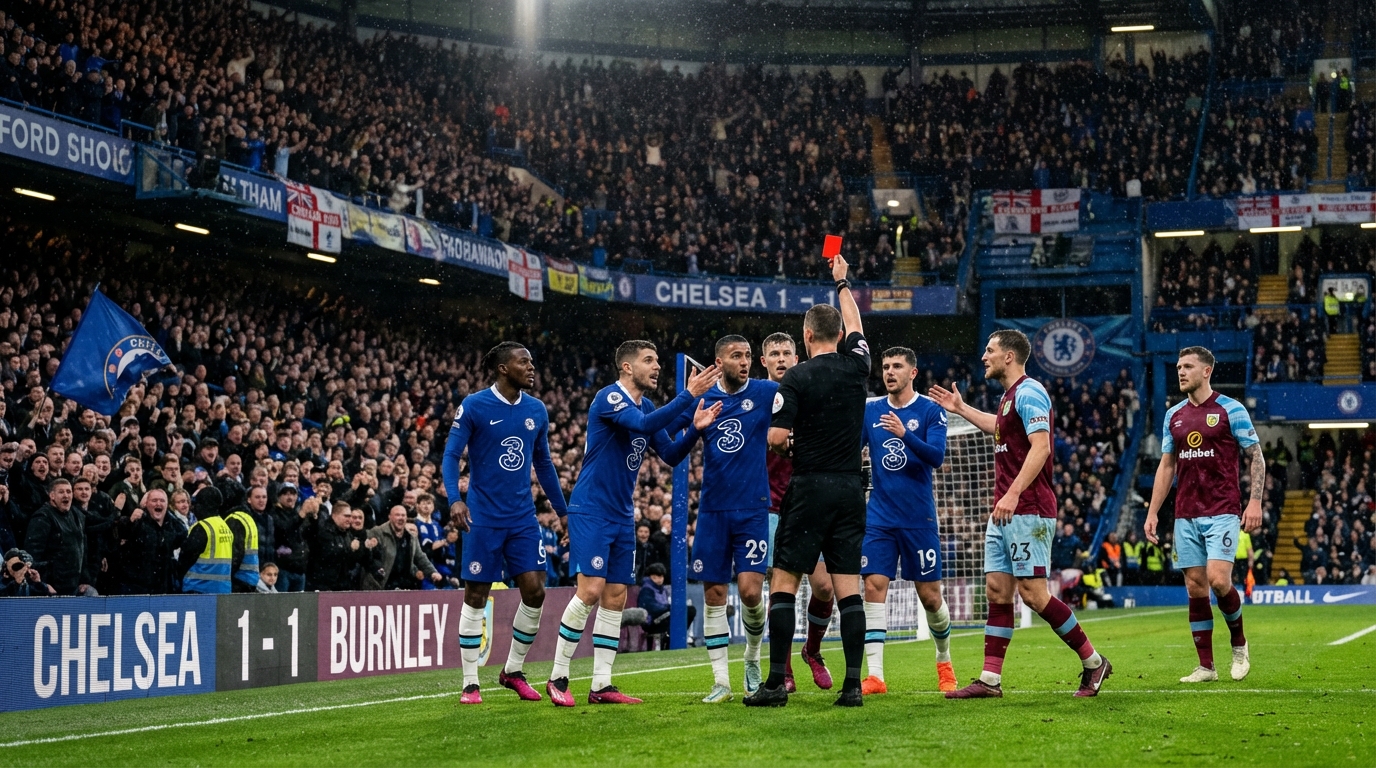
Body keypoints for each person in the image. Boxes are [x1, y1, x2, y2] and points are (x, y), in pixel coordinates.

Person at [929, 329, 1111, 699]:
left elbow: (1041, 448)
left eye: (990, 350)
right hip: (1006, 508)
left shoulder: (1030, 392)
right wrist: (962, 409)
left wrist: (1012, 494)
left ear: (1009, 356)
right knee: (998, 591)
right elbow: (999, 429)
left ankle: (1094, 663)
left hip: (1027, 508)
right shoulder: (1010, 399)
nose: (984, 356)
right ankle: (990, 681)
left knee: (1033, 594)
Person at [546, 341, 721, 707]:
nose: (656, 366)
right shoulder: (609, 398)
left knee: (615, 597)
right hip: (592, 508)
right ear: (626, 367)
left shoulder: (646, 405)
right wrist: (688, 397)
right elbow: (642, 425)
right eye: (648, 360)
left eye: (657, 360)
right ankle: (558, 675)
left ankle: (601, 685)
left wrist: (695, 428)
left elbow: (671, 454)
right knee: (590, 590)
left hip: (623, 514)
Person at [746, 254, 870, 709]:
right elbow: (856, 326)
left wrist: (797, 446)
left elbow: (777, 438)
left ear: (805, 337)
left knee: (783, 583)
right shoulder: (858, 367)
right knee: (847, 590)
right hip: (850, 489)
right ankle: (853, 687)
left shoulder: (795, 377)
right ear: (839, 337)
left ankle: (776, 682)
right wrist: (842, 282)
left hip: (809, 487)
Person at [443, 342, 572, 705]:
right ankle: (470, 683)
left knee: (535, 591)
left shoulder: (536, 409)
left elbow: (543, 464)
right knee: (476, 595)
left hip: (522, 519)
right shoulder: (474, 405)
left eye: (532, 361)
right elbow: (452, 455)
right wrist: (455, 498)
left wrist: (563, 512)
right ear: (503, 368)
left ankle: (512, 670)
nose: (531, 367)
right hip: (482, 518)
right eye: (523, 362)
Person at [665, 335, 777, 703]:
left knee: (748, 591)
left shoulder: (765, 392)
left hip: (752, 508)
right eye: (736, 356)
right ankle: (721, 682)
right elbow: (666, 442)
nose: (744, 361)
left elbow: (800, 408)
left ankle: (751, 657)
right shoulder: (703, 397)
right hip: (713, 510)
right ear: (718, 361)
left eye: (747, 355)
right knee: (714, 594)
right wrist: (693, 426)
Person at [1145, 346, 1262, 683]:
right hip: (1186, 512)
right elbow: (1167, 466)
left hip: (1222, 509)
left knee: (1218, 580)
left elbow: (1256, 456)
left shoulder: (1231, 409)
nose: (1181, 372)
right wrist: (1153, 512)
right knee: (1195, 587)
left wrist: (1254, 502)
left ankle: (1239, 643)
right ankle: (1206, 666)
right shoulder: (1174, 415)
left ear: (1207, 371)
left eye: (1188, 367)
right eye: (1179, 367)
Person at [859, 346, 958, 695]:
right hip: (880, 518)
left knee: (930, 597)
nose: (889, 372)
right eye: (885, 366)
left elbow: (936, 457)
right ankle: (875, 676)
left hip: (918, 518)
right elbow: (851, 449)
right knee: (873, 588)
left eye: (897, 366)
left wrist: (904, 434)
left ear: (912, 372)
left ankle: (944, 660)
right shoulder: (870, 412)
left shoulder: (930, 411)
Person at [760, 330, 837, 694]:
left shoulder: (810, 390)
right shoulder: (759, 399)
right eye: (773, 353)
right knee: (782, 590)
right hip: (774, 507)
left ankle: (813, 650)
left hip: (813, 502)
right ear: (764, 362)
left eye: (786, 352)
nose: (780, 358)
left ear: (797, 357)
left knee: (824, 588)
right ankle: (784, 670)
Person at [24, 477, 96, 596]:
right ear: (52, 496)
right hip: (52, 588)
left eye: (68, 492)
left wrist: (85, 580)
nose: (66, 495)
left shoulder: (77, 515)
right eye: (61, 492)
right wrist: (43, 584)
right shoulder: (42, 517)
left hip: (74, 585)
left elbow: (83, 551)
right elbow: (32, 555)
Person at [116, 488, 187, 594]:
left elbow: (183, 532)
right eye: (154, 500)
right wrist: (131, 521)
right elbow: (121, 532)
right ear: (146, 504)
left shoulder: (171, 526)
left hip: (163, 587)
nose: (158, 503)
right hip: (138, 587)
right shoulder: (138, 521)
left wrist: (169, 515)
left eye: (162, 501)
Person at [364, 505, 440, 590]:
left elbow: (420, 556)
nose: (401, 518)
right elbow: (370, 559)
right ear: (390, 517)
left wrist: (432, 572)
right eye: (397, 515)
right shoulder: (377, 532)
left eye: (403, 515)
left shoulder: (411, 536)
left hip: (404, 586)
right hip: (382, 586)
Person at [306, 499, 374, 591]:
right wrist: (350, 549)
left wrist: (364, 548)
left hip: (341, 585)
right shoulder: (324, 531)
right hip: (323, 585)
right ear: (334, 515)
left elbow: (351, 562)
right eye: (346, 516)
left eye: (350, 516)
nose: (349, 520)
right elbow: (329, 555)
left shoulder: (347, 533)